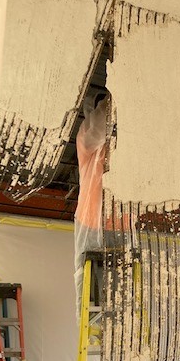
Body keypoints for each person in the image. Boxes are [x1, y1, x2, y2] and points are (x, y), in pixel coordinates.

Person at [74, 91, 108, 322]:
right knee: (90, 277)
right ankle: (92, 321)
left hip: (118, 222)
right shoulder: (86, 136)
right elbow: (98, 130)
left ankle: (117, 325)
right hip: (91, 219)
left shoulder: (119, 148)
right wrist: (109, 105)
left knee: (117, 280)